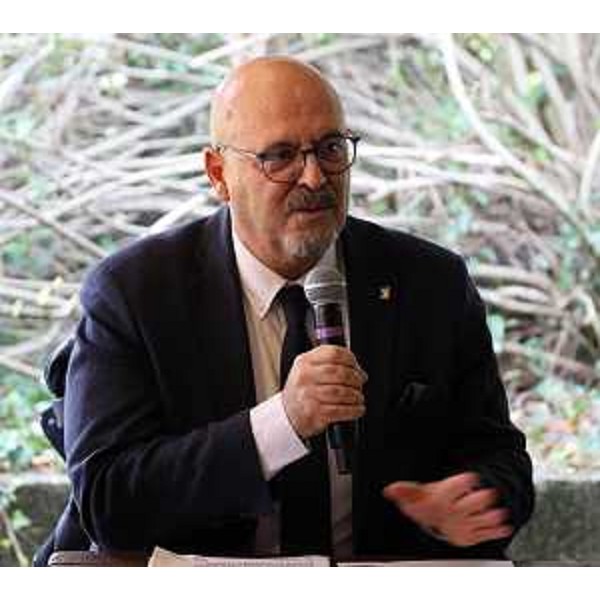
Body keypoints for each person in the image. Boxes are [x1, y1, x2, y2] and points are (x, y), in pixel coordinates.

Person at [61, 56, 534, 562]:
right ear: (219, 174)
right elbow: (108, 499)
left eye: (330, 149)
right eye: (281, 156)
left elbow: (502, 461)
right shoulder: (136, 293)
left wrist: (475, 500)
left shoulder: (431, 284)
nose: (314, 177)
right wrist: (281, 424)